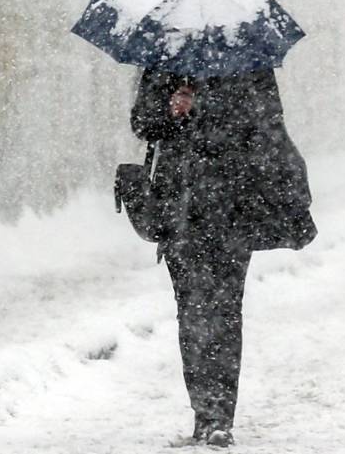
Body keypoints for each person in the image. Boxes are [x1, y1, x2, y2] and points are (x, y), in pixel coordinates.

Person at [131, 67, 315, 448]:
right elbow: (142, 123)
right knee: (191, 313)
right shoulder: (164, 63)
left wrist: (207, 109)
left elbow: (267, 128)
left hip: (233, 210)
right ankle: (204, 412)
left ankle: (221, 417)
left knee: (226, 312)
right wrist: (170, 111)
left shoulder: (250, 66)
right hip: (179, 212)